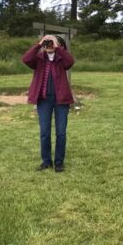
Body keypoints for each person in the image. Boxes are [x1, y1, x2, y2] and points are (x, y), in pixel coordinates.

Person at [22, 35, 75, 172]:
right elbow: (26, 59)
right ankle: (46, 161)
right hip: (44, 100)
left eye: (52, 42)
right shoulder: (39, 59)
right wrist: (39, 45)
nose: (49, 44)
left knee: (61, 132)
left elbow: (70, 62)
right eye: (48, 42)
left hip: (61, 100)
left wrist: (59, 48)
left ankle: (59, 162)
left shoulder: (61, 58)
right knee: (44, 132)